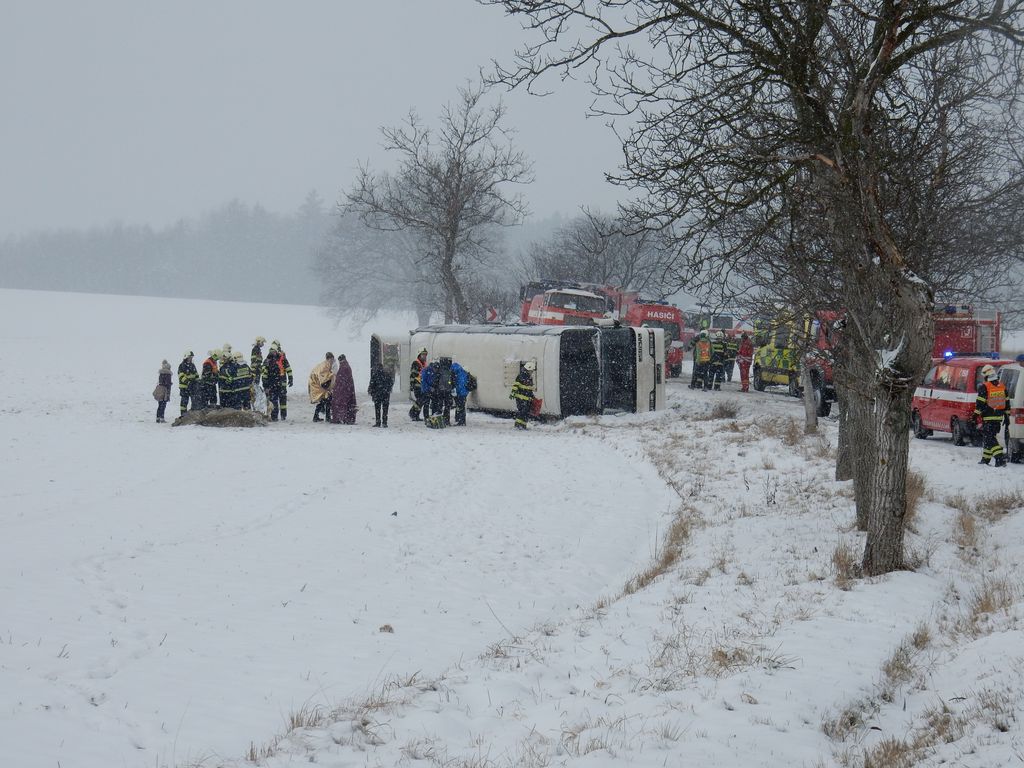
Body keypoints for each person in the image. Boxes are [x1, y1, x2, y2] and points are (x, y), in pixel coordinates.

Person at [974, 364, 1008, 466]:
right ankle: (986, 459)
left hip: (988, 418)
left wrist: (975, 415)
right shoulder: (1001, 386)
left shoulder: (984, 386)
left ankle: (1000, 458)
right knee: (988, 438)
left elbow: (980, 403)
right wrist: (1007, 415)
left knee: (990, 439)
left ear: (986, 376)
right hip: (998, 418)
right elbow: (1007, 402)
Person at [421, 357, 454, 426]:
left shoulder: (438, 372)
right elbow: (452, 381)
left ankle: (433, 418)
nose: (435, 370)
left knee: (434, 405)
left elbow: (433, 381)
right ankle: (444, 420)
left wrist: (434, 387)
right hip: (444, 391)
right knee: (444, 406)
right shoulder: (448, 371)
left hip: (438, 391)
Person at [262, 343, 288, 421]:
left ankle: (275, 416)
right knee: (278, 401)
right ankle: (280, 416)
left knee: (275, 401)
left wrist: (265, 385)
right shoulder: (279, 359)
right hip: (278, 384)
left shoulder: (268, 361)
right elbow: (265, 374)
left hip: (273, 384)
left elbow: (264, 375)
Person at [330, 354, 357, 424]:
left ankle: (341, 418)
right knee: (348, 404)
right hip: (348, 389)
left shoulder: (343, 367)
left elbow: (340, 379)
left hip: (343, 390)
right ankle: (347, 418)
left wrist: (336, 388)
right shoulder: (346, 366)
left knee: (340, 403)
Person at [308, 352, 335, 422]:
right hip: (318, 385)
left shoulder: (325, 364)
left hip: (316, 383)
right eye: (332, 359)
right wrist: (328, 388)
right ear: (330, 358)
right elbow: (323, 379)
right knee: (327, 400)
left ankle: (317, 416)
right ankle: (326, 417)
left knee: (324, 401)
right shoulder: (326, 365)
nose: (333, 361)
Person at [368, 361, 395, 427]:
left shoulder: (375, 374)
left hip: (377, 394)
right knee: (385, 409)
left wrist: (371, 391)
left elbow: (372, 384)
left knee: (377, 409)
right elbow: (391, 382)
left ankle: (378, 422)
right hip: (385, 394)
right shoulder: (387, 374)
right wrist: (388, 389)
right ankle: (384, 422)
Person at [511, 360, 536, 430]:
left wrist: (532, 397)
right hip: (521, 398)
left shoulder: (529, 377)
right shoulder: (521, 376)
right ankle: (518, 425)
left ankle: (523, 425)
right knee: (522, 412)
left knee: (526, 412)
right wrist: (513, 391)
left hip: (527, 399)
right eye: (531, 370)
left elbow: (529, 389)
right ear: (528, 369)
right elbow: (516, 385)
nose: (532, 372)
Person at [408, 348, 429, 421]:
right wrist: (411, 385)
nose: (425, 356)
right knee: (419, 401)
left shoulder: (424, 364)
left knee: (420, 401)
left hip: (423, 386)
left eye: (425, 355)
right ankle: (413, 413)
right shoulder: (416, 363)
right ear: (419, 355)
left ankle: (415, 415)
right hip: (417, 385)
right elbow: (412, 375)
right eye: (423, 355)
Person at [450, 360, 473, 426]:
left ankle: (460, 421)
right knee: (462, 407)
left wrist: (454, 392)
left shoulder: (455, 373)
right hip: (464, 392)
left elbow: (456, 384)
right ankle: (462, 420)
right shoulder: (463, 372)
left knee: (460, 407)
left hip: (459, 393)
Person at [177, 351, 198, 416]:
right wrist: (188, 382)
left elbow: (196, 374)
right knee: (184, 401)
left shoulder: (192, 365)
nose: (191, 358)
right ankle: (183, 415)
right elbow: (181, 376)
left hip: (192, 387)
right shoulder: (182, 365)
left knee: (194, 401)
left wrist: (197, 382)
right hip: (184, 387)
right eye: (189, 357)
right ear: (186, 357)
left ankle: (192, 414)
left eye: (191, 357)